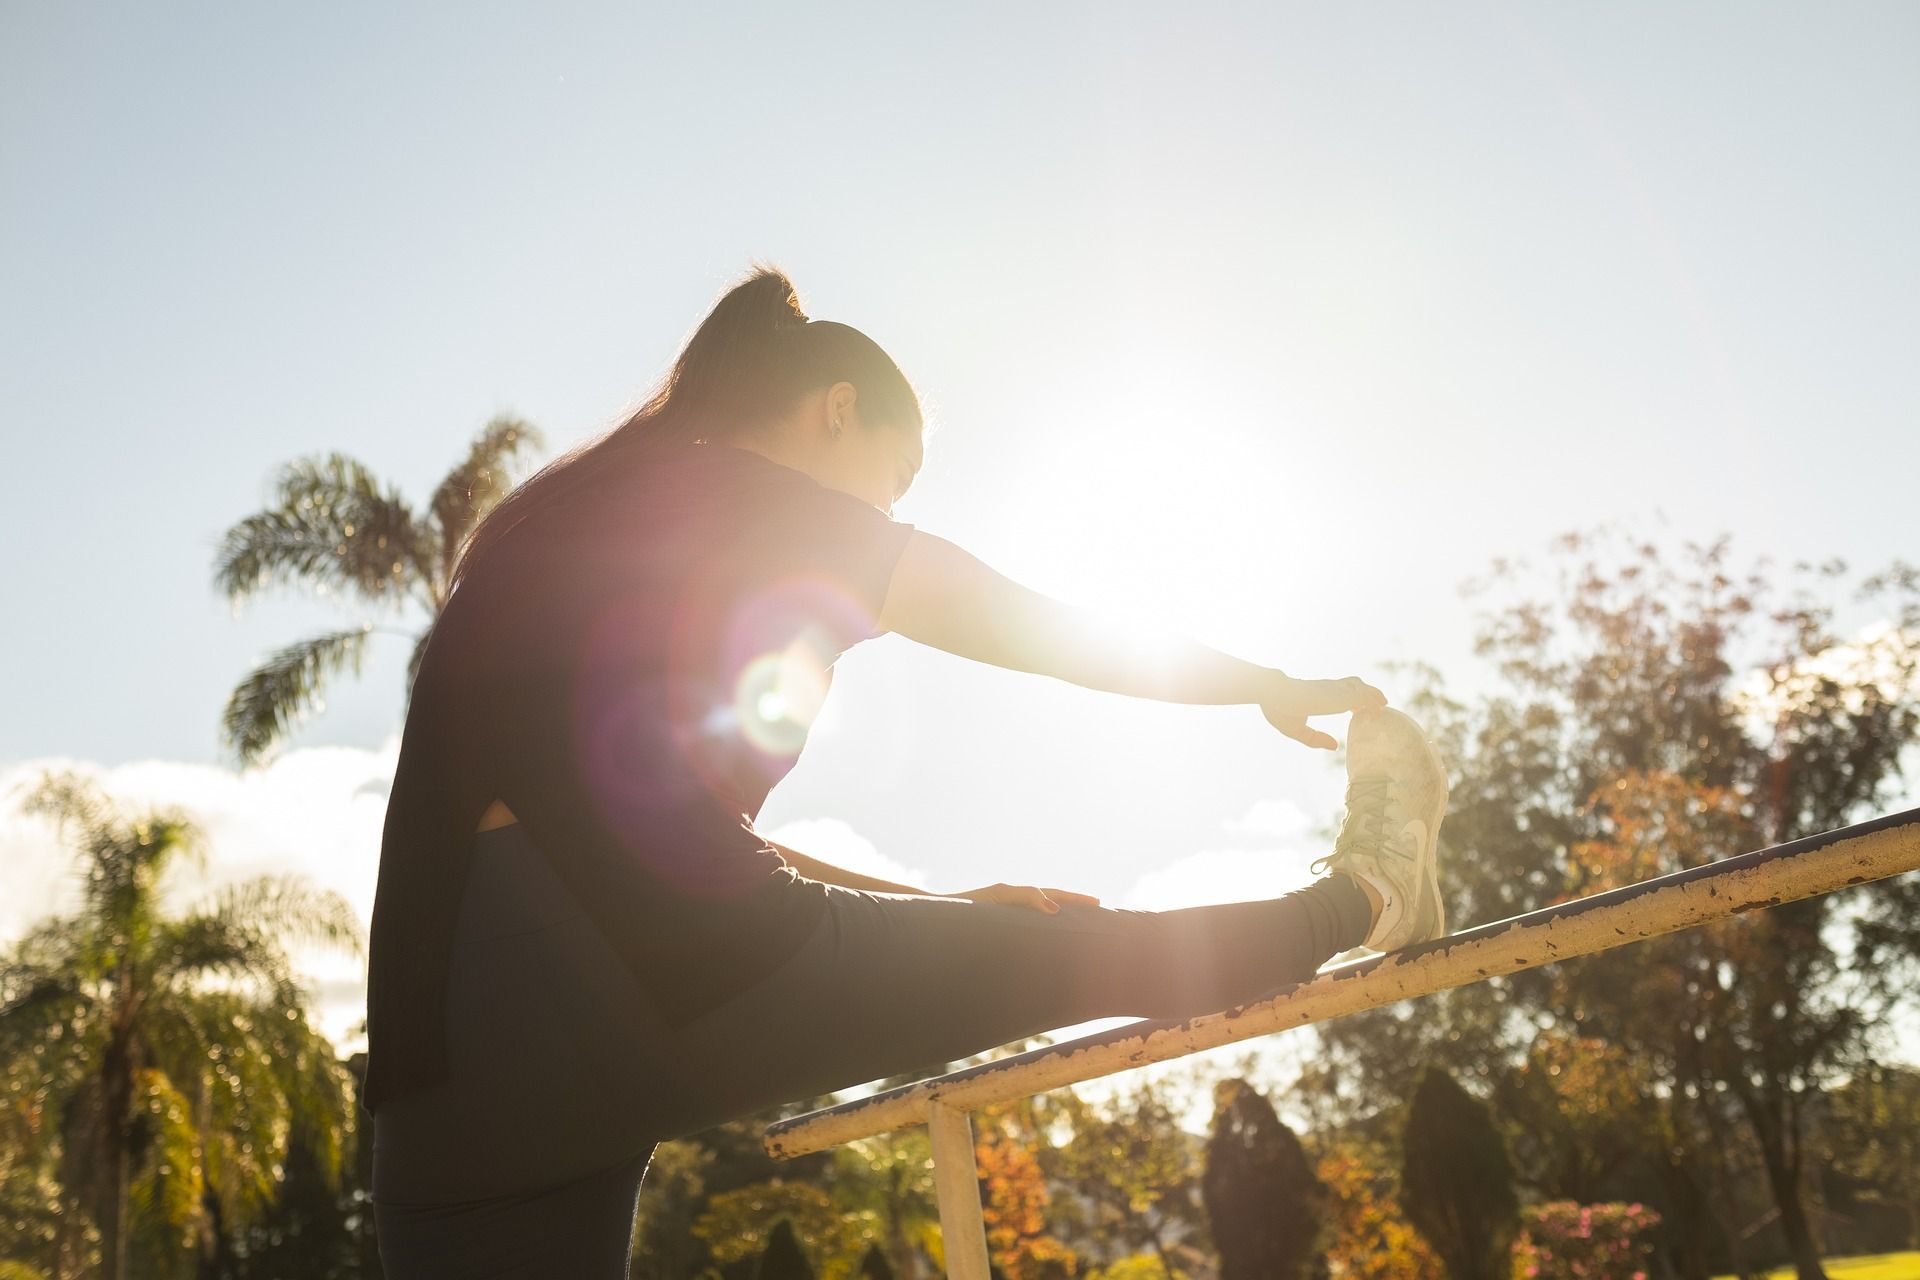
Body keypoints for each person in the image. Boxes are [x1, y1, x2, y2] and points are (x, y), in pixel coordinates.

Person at [363, 264, 1451, 1277]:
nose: (883, 513)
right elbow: (1039, 626)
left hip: (444, 1101)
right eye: (894, 477)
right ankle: (1370, 888)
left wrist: (929, 906)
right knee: (1090, 953)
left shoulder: (561, 524)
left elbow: (623, 836)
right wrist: (1255, 680)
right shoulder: (766, 503)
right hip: (660, 979)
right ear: (836, 407)